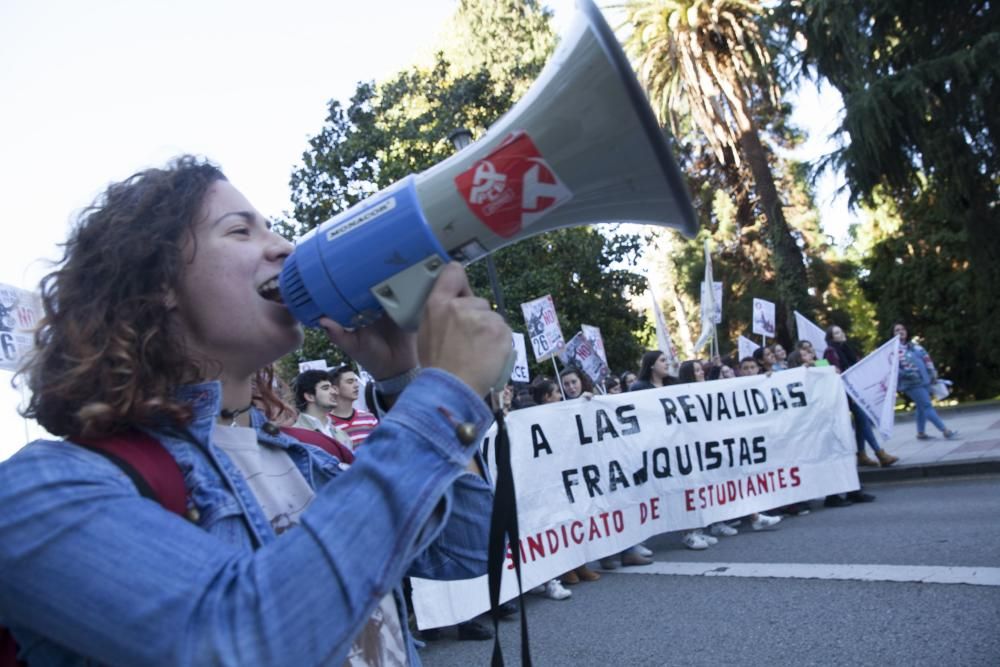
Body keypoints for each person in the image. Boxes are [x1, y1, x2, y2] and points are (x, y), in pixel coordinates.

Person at [0, 157, 510, 666]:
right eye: (240, 231)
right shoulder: (39, 490)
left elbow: (466, 550)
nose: (285, 248)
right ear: (159, 281)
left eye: (272, 229)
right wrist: (446, 394)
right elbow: (238, 639)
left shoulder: (308, 458)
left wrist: (405, 382)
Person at [823, 325, 899, 469]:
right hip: (847, 393)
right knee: (863, 420)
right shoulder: (831, 351)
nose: (841, 334)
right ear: (831, 338)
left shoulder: (845, 348)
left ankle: (862, 454)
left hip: (854, 391)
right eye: (837, 333)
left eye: (841, 331)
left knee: (860, 422)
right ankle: (880, 453)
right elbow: (835, 373)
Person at [892, 323, 958, 440]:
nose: (901, 331)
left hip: (925, 381)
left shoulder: (916, 347)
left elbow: (927, 360)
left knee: (921, 407)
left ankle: (920, 433)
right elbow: (894, 370)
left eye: (903, 329)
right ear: (893, 334)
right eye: (897, 330)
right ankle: (945, 430)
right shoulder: (893, 351)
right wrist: (908, 374)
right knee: (927, 406)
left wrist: (932, 373)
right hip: (911, 384)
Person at [291, 369, 353, 445]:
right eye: (325, 388)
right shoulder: (294, 436)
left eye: (332, 388)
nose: (334, 392)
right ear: (310, 396)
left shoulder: (341, 434)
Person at [328, 364, 380, 449]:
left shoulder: (369, 418)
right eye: (350, 382)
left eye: (356, 381)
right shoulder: (327, 425)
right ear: (334, 389)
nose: (356, 385)